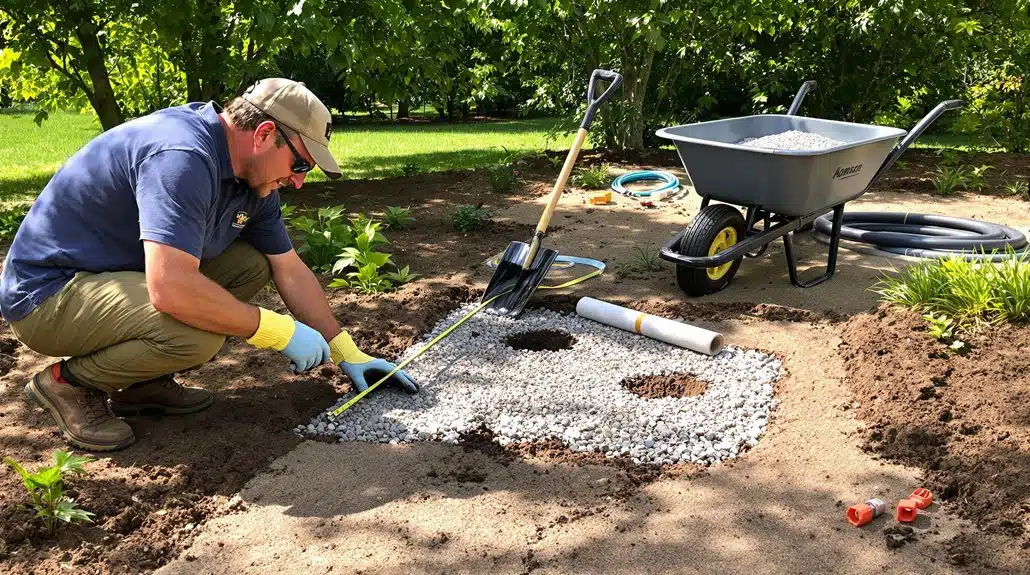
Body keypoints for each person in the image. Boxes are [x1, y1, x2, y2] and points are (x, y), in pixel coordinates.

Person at [0, 78, 418, 452]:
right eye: (300, 164)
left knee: (252, 264)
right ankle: (68, 383)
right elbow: (171, 289)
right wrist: (278, 331)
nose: (299, 181)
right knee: (195, 337)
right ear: (264, 134)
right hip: (50, 294)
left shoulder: (254, 183)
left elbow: (288, 268)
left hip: (115, 277)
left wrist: (347, 352)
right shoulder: (181, 156)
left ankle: (141, 383)